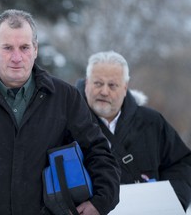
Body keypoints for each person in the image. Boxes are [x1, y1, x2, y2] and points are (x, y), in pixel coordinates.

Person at [0, 10, 120, 215]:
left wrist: (101, 202)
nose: (17, 57)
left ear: (35, 49)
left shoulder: (65, 97)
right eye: (8, 48)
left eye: (24, 47)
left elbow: (98, 152)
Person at [76, 50, 191, 211]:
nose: (104, 91)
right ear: (87, 82)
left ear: (125, 87)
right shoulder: (66, 122)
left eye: (112, 85)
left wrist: (174, 202)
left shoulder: (151, 122)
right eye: (98, 83)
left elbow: (181, 163)